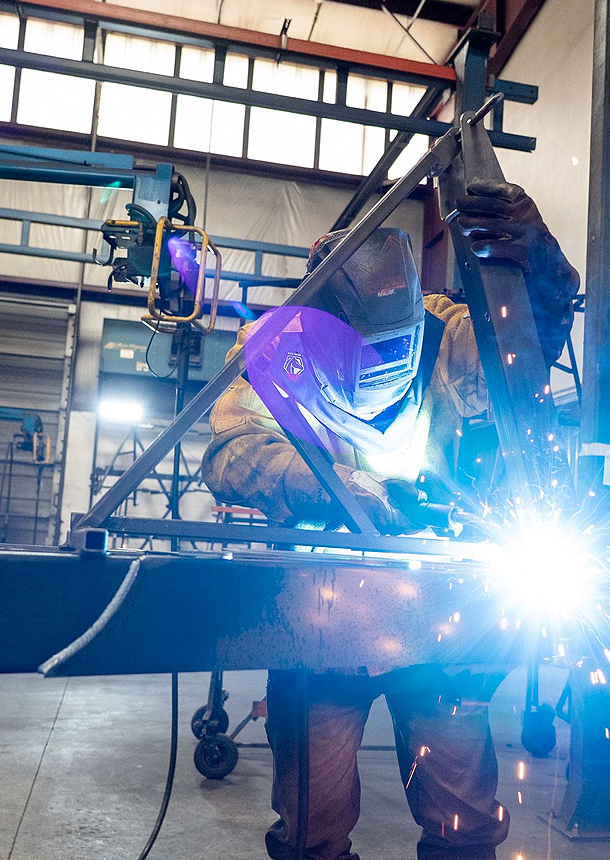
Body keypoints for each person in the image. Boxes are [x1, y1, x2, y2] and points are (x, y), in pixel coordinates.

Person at [202, 178, 579, 860]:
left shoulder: (449, 330)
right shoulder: (273, 344)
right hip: (319, 615)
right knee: (311, 823)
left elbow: (531, 344)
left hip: (438, 613)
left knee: (463, 815)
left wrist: (540, 263)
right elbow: (231, 453)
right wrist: (335, 490)